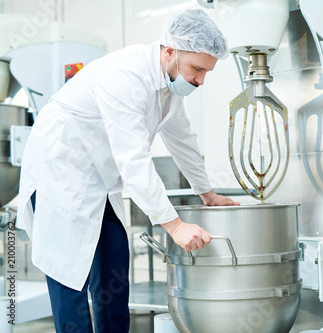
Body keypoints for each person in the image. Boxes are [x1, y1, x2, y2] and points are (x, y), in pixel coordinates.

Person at [16, 8, 238, 333]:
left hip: (99, 183)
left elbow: (183, 140)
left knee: (113, 274)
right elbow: (132, 159)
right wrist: (173, 225)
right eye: (197, 69)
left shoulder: (169, 86)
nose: (201, 80)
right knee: (69, 281)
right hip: (60, 177)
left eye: (207, 72)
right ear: (171, 50)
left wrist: (207, 193)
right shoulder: (125, 76)